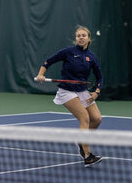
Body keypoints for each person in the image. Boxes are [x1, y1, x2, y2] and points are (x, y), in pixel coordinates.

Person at [35, 25, 103, 167]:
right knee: (84, 118)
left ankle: (81, 140)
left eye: (83, 35)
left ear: (88, 38)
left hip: (82, 91)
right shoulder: (68, 52)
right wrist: (41, 74)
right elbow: (47, 62)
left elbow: (99, 78)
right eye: (78, 36)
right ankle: (88, 155)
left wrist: (96, 92)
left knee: (96, 119)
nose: (81, 38)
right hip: (66, 91)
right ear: (76, 38)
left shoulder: (92, 57)